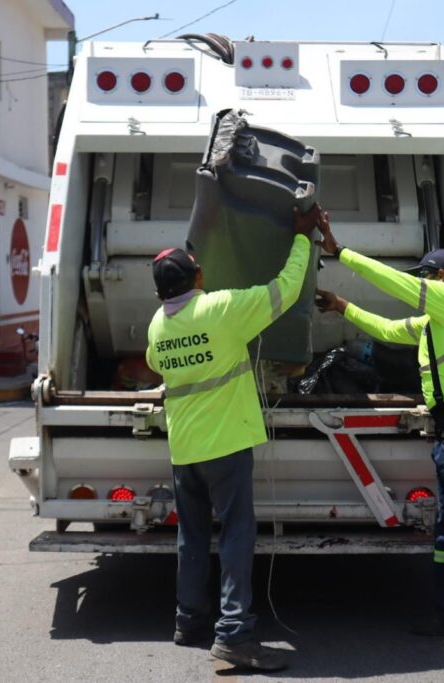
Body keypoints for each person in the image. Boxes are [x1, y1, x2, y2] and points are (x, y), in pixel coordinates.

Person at [314, 215, 444, 658]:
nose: (420, 284)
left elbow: (394, 284)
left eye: (423, 277)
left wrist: (340, 252)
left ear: (440, 277)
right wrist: (342, 306)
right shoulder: (433, 324)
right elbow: (387, 330)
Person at [145, 204, 319, 672]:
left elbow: (157, 365)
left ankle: (188, 621)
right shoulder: (221, 308)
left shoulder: (158, 325)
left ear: (161, 291)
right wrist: (301, 237)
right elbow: (285, 290)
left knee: (192, 536)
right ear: (198, 277)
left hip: (185, 448)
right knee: (237, 534)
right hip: (225, 444)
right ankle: (235, 635)